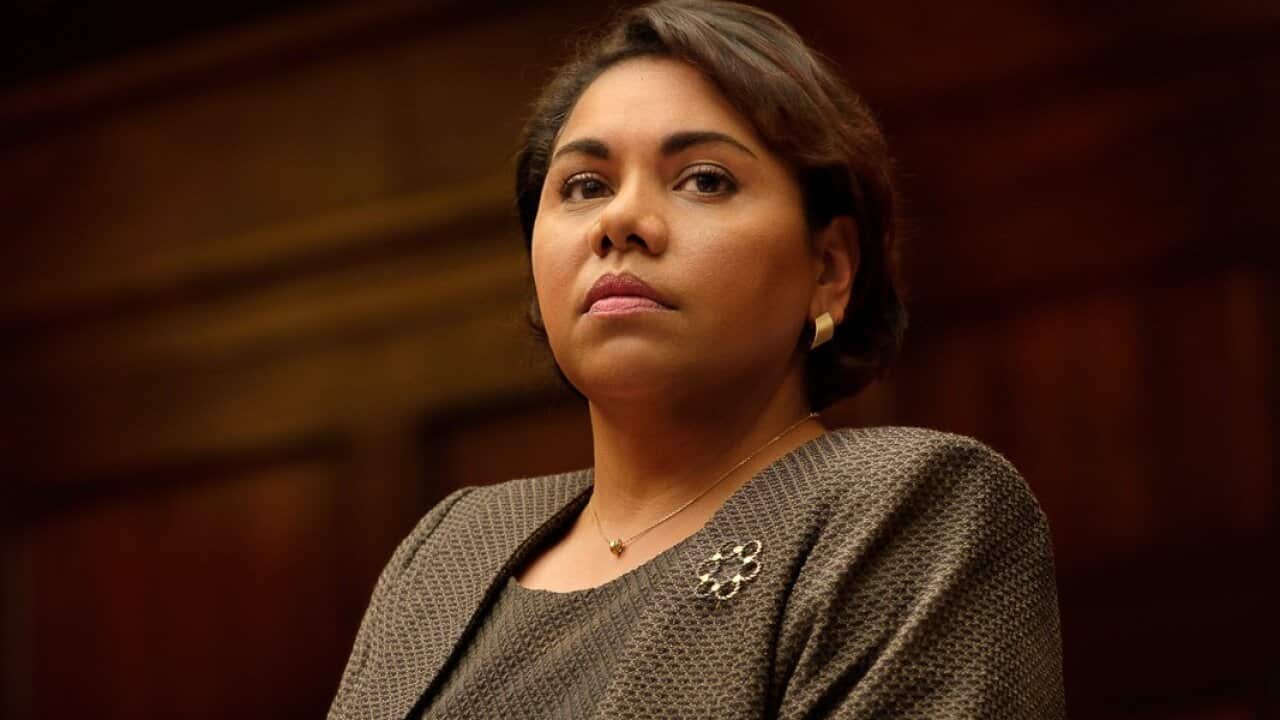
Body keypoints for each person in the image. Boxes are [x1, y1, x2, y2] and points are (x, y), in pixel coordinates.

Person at [327, 1, 1066, 718]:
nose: (621, 220)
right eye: (585, 186)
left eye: (705, 180)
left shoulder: (904, 508)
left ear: (829, 268)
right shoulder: (451, 550)